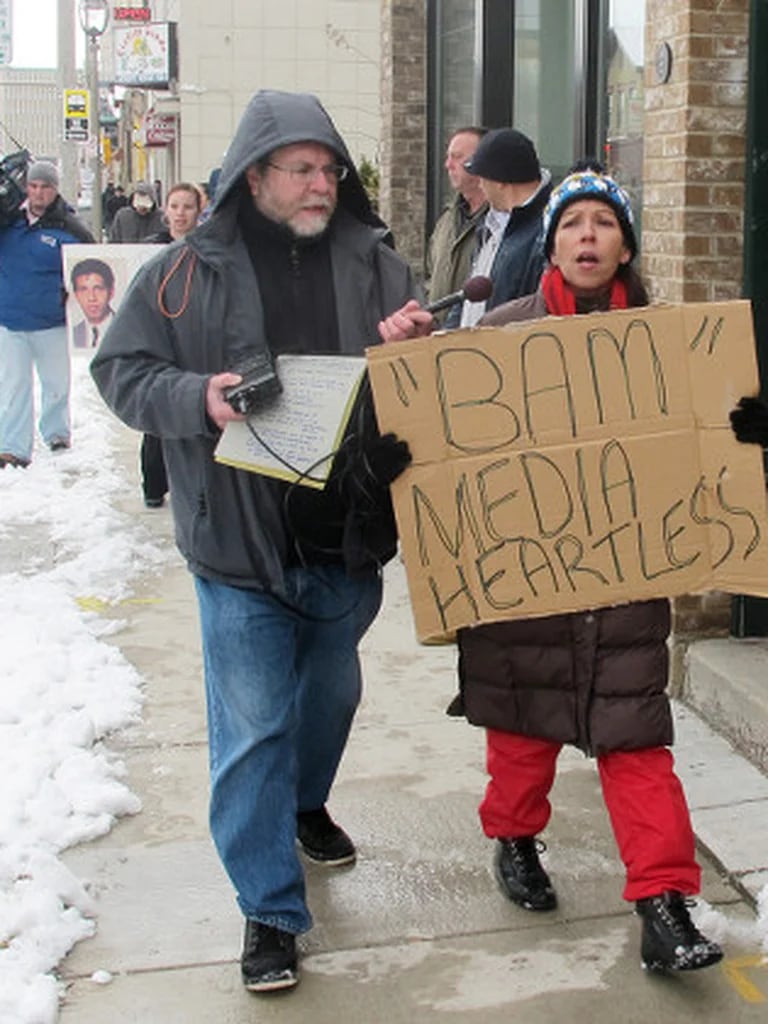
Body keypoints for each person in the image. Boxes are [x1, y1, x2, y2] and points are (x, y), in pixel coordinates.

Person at [90, 89, 420, 994]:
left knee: (331, 701)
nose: (322, 184)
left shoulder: (381, 267)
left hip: (345, 543)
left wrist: (410, 352)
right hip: (236, 547)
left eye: (330, 169)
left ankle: (305, 805)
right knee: (254, 730)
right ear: (254, 175)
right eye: (302, 169)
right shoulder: (180, 272)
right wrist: (195, 400)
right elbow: (119, 373)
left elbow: (424, 389)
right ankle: (270, 910)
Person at [377, 164, 724, 975]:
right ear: (552, 243)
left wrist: (741, 426)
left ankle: (663, 904)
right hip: (523, 591)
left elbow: (706, 448)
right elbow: (444, 444)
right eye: (573, 224)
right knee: (521, 741)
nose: (588, 237)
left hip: (627, 588)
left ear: (626, 245)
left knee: (638, 747)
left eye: (604, 224)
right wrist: (404, 411)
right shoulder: (498, 335)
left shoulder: (669, 343)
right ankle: (514, 839)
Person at [0, 160, 94, 468]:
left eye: (46, 187)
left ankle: (56, 434)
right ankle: (13, 447)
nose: (39, 192)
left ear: (56, 190)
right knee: (14, 386)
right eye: (34, 186)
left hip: (52, 322)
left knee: (56, 384)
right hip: (10, 319)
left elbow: (93, 265)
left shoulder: (70, 228)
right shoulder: (7, 221)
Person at [140, 182, 206, 508]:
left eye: (187, 207)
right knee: (157, 418)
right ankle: (153, 486)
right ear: (165, 210)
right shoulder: (150, 249)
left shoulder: (208, 249)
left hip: (192, 342)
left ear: (199, 211)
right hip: (158, 340)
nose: (180, 213)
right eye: (175, 206)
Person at [445, 127, 551, 328]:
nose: (481, 185)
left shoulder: (547, 232)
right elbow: (467, 301)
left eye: (482, 177)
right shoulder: (489, 226)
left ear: (500, 181)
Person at [425, 127, 487, 320]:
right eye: (448, 157)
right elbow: (429, 276)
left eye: (457, 157)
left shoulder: (501, 223)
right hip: (437, 339)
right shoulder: (446, 221)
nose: (447, 165)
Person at [70, 257, 116, 349]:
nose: (91, 298)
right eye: (83, 290)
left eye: (98, 289)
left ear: (111, 292)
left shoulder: (127, 330)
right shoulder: (73, 333)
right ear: (76, 295)